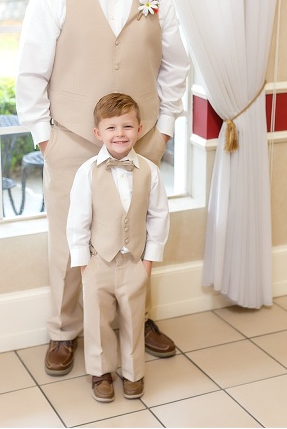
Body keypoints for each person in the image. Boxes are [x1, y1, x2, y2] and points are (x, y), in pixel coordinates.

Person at [16, 0, 190, 377]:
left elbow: (176, 66)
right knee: (68, 240)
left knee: (137, 234)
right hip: (72, 139)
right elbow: (30, 71)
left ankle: (139, 320)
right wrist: (46, 139)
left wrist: (164, 130)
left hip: (142, 138)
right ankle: (64, 330)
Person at [67, 93, 169, 402]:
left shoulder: (150, 171)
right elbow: (77, 220)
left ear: (139, 129)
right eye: (111, 127)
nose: (120, 134)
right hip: (98, 261)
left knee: (134, 319)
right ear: (98, 133)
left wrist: (148, 261)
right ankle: (101, 372)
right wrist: (84, 264)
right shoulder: (87, 171)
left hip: (134, 262)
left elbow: (159, 217)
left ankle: (134, 372)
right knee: (97, 320)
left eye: (127, 126)